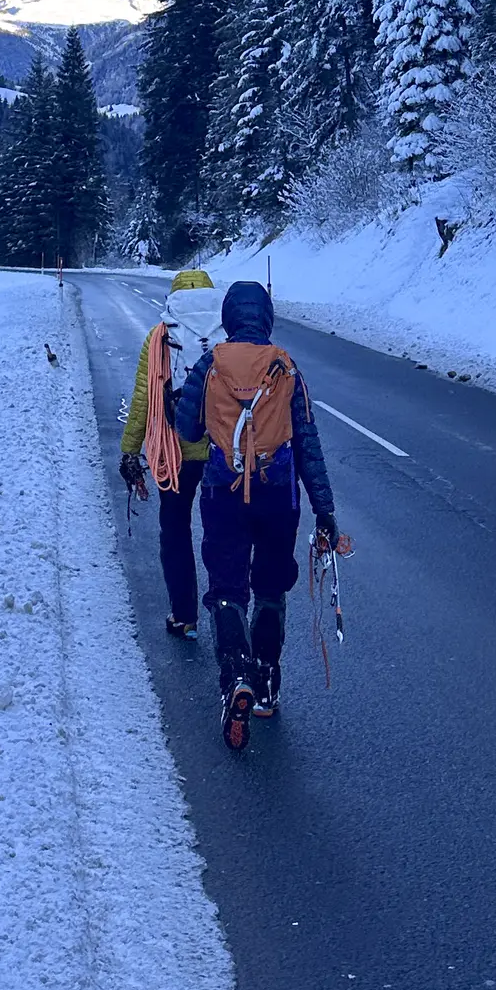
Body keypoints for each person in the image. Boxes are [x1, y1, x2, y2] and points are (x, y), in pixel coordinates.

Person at [173, 278, 345, 751]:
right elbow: (307, 443)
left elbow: (186, 429)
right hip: (278, 494)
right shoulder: (285, 365)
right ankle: (267, 684)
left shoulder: (210, 363)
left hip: (222, 491)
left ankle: (235, 679)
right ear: (266, 318)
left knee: (227, 588)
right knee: (270, 587)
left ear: (228, 318)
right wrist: (324, 511)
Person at [119, 270, 214, 636]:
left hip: (175, 453)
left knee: (175, 530)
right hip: (224, 453)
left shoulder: (159, 338)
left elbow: (143, 400)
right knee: (222, 534)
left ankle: (185, 615)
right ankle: (228, 611)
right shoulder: (229, 335)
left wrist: (130, 450)